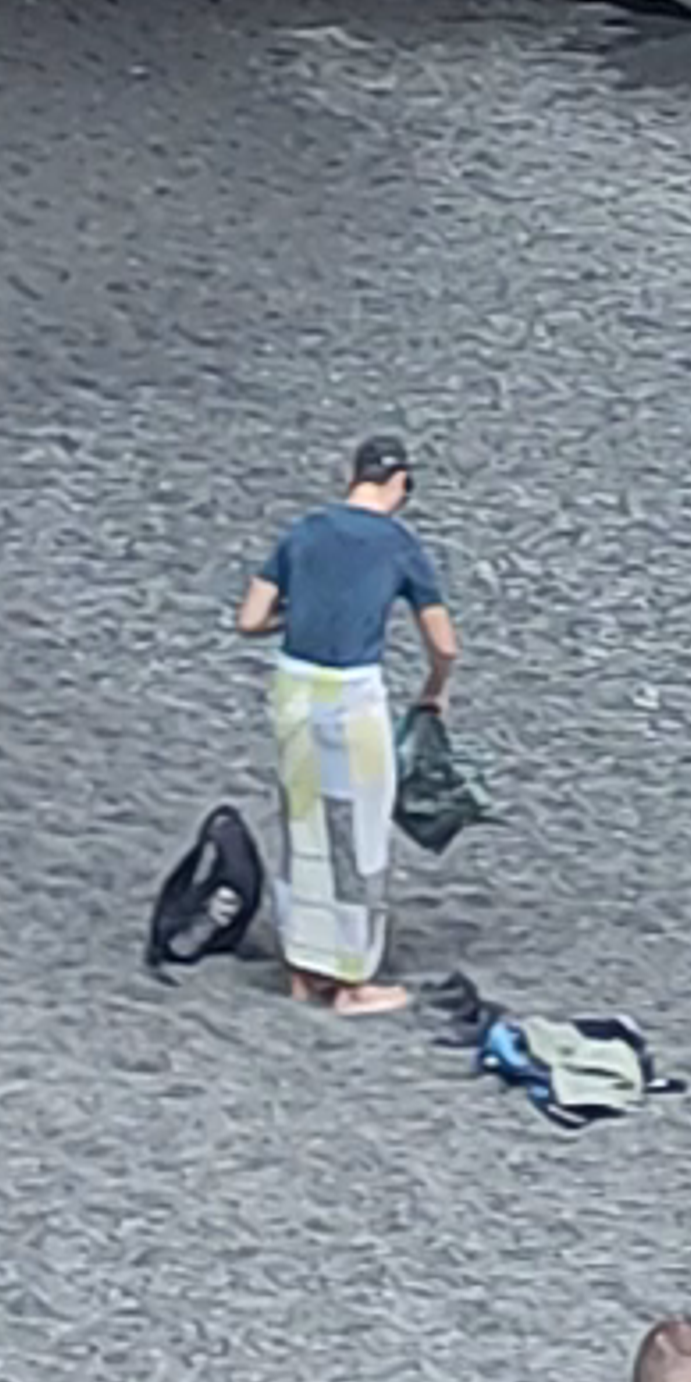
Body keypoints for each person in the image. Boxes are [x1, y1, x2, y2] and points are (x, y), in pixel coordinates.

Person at [230, 428, 458, 1013]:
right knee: (359, 831)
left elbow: (250, 619)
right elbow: (445, 644)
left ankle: (304, 966)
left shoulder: (305, 532)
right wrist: (435, 690)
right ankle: (353, 980)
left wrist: (302, 611)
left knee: (303, 825)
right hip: (350, 693)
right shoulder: (398, 544)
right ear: (400, 483)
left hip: (293, 687)